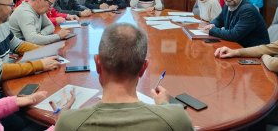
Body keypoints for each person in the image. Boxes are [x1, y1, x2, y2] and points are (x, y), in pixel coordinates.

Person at [55, 23, 194, 130]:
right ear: (143, 68)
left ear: (98, 64)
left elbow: (65, 122)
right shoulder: (177, 119)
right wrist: (164, 104)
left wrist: (63, 116)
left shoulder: (68, 123)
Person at [202, 0, 269, 47]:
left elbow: (234, 35)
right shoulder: (227, 4)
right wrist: (212, 24)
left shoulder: (248, 10)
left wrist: (212, 30)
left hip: (254, 52)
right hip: (236, 47)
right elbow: (219, 20)